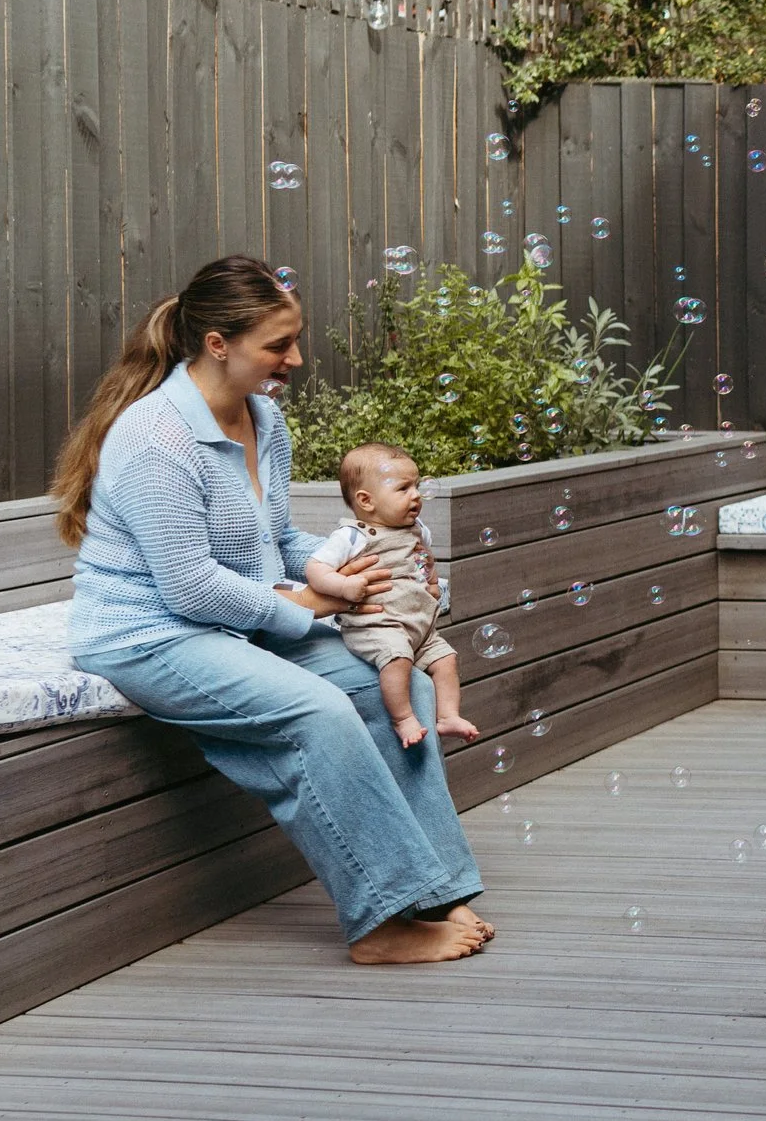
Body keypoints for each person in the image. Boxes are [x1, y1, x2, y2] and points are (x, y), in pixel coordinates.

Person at [53, 254, 494, 967]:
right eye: (277, 345)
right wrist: (315, 602)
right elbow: (189, 587)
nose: (295, 357)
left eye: (296, 338)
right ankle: (381, 920)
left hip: (238, 624)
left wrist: (353, 566)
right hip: (148, 634)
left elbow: (277, 537)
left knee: (403, 687)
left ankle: (434, 890)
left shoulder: (264, 418)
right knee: (318, 709)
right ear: (218, 344)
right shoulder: (154, 437)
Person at [309, 441, 478, 748]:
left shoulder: (418, 529)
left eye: (416, 485)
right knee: (397, 659)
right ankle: (402, 719)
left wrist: (431, 583)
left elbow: (425, 560)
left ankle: (448, 716)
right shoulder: (351, 536)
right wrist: (344, 587)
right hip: (378, 625)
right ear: (366, 500)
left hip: (420, 625)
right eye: (403, 489)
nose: (415, 495)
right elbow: (316, 568)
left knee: (447, 659)